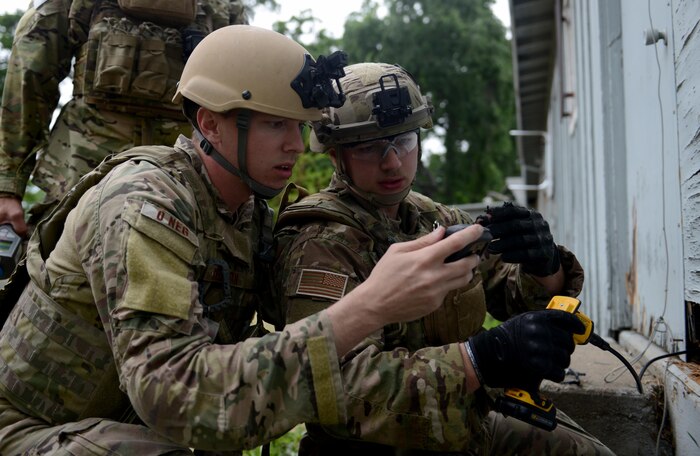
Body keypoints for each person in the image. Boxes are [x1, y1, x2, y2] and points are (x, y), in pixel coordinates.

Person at [0, 25, 488, 455]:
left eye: (298, 126)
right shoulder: (144, 203)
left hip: (120, 428)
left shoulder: (245, 212)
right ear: (209, 122)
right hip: (32, 428)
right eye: (276, 124)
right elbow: (174, 392)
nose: (296, 145)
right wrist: (370, 307)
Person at [274, 62, 614, 455]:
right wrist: (479, 358)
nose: (392, 162)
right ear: (336, 156)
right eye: (368, 147)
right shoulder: (320, 240)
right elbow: (337, 387)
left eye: (402, 141)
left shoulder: (434, 219)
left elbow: (510, 294)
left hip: (460, 427)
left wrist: (545, 268)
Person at [0, 0, 248, 238]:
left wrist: (8, 187)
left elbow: (29, 77)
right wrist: (8, 187)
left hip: (170, 191)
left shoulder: (223, 8)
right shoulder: (223, 8)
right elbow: (30, 77)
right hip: (95, 189)